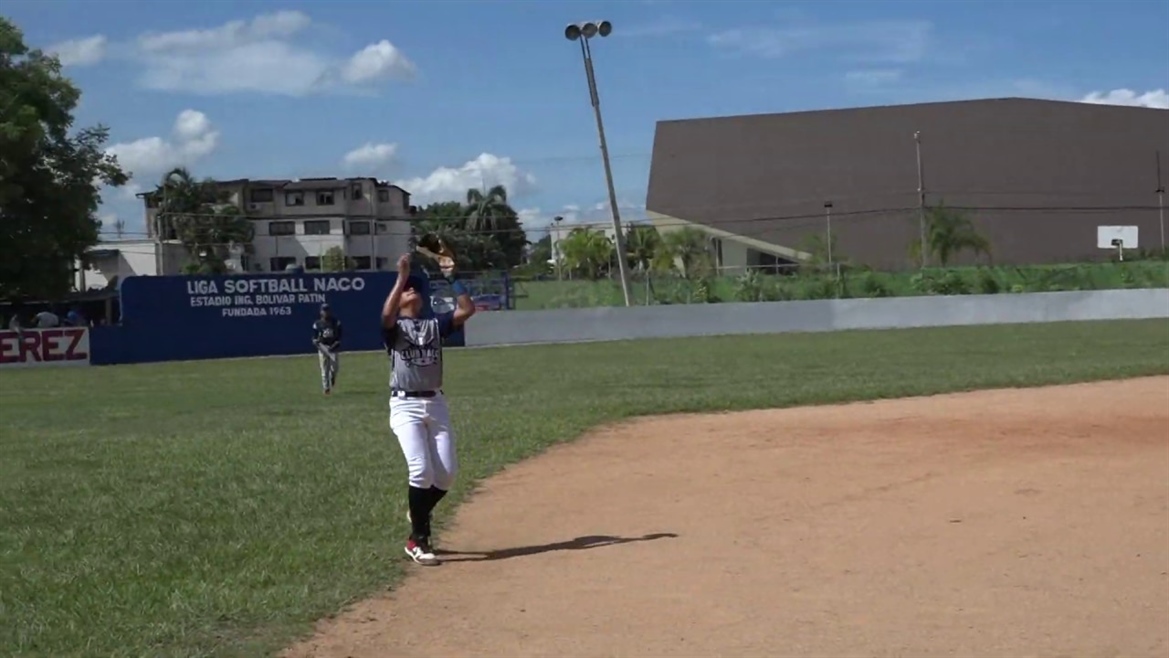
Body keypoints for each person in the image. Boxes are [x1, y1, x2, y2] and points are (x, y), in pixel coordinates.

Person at [381, 252, 476, 565]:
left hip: (435, 402)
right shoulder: (394, 329)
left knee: (446, 476)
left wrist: (451, 276)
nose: (412, 290)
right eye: (407, 290)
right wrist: (400, 277)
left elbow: (467, 309)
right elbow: (386, 317)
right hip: (405, 405)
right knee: (421, 471)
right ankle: (418, 540)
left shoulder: (434, 325)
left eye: (414, 288)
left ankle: (418, 511)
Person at [312, 303, 343, 395]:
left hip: (333, 347)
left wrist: (334, 345)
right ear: (321, 312)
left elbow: (339, 337)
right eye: (324, 311)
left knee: (335, 367)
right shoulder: (317, 324)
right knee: (324, 368)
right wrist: (317, 343)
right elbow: (314, 338)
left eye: (327, 310)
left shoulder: (335, 322)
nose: (326, 313)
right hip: (323, 347)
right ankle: (326, 388)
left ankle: (332, 376)